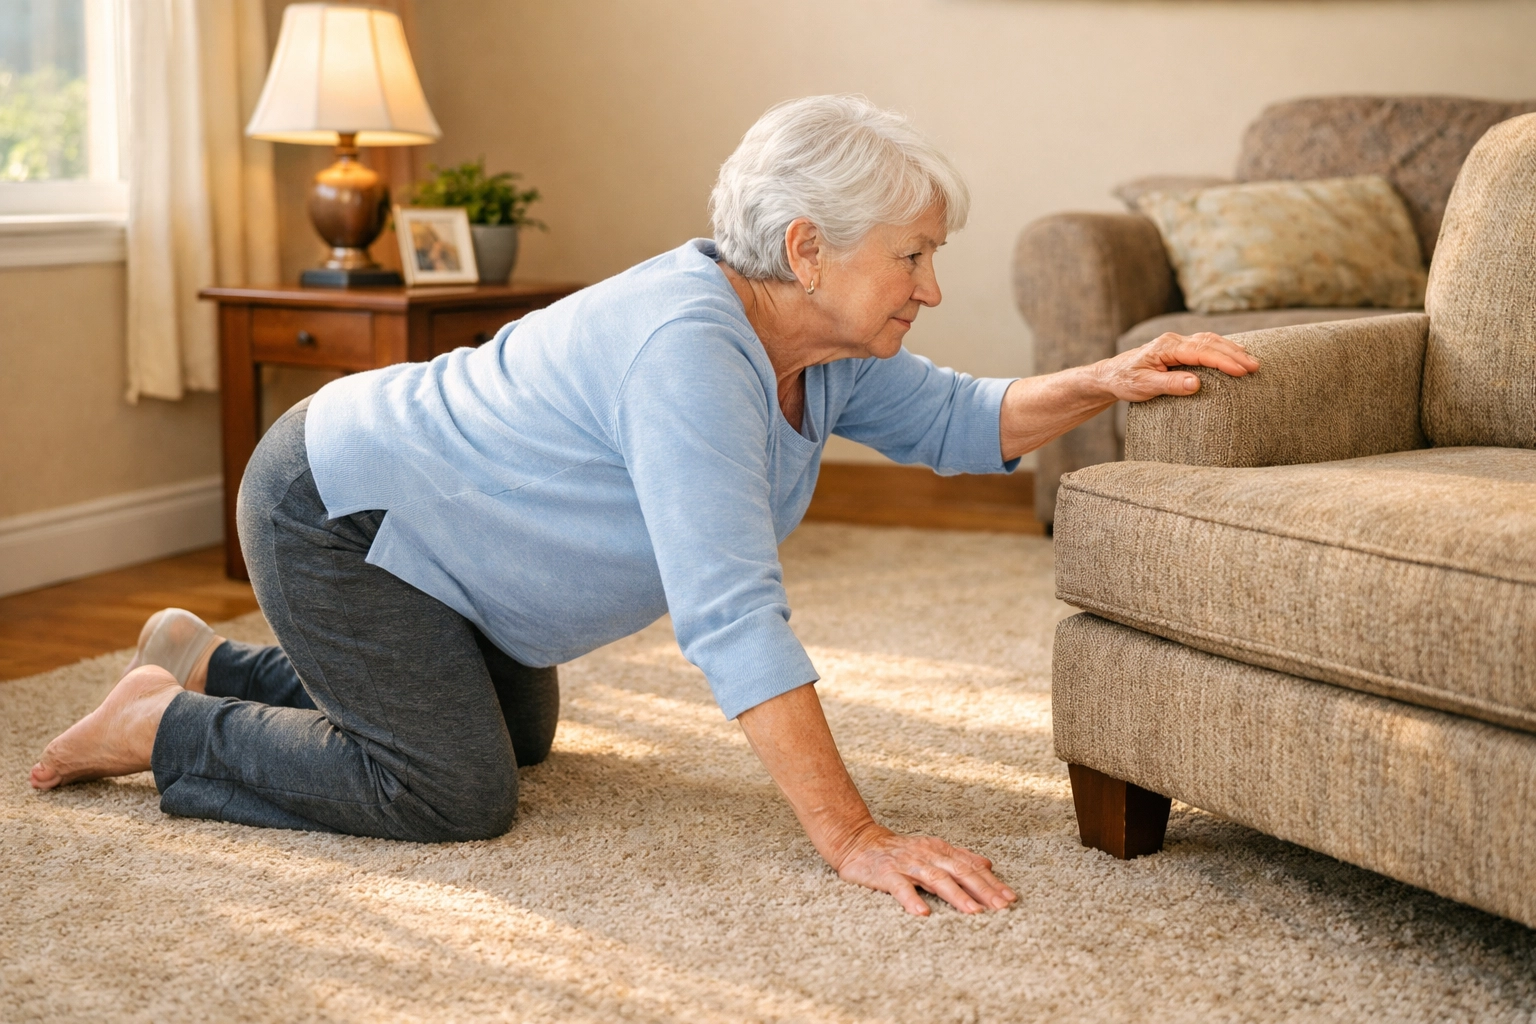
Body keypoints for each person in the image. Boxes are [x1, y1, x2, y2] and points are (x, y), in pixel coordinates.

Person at [30, 95, 1257, 917]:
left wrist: (1105, 378)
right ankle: (163, 726)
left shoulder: (817, 341)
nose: (931, 288)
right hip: (338, 512)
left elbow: (960, 421)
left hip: (438, 547)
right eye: (913, 256)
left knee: (512, 738)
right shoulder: (690, 350)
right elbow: (730, 617)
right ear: (807, 248)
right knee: (452, 791)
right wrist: (854, 837)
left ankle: (211, 662)